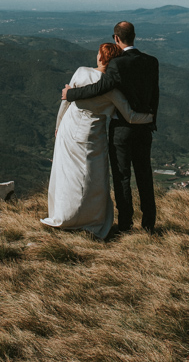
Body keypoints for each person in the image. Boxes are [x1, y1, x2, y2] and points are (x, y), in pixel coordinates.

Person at [42, 43, 152, 238]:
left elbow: (65, 102)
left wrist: (58, 126)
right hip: (93, 134)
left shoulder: (80, 72)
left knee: (67, 173)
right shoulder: (113, 89)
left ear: (101, 57)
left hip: (70, 127)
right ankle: (90, 218)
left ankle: (64, 214)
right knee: (93, 178)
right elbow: (130, 116)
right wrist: (150, 117)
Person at [61, 21, 160, 232]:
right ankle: (149, 225)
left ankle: (125, 224)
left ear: (116, 38)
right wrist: (153, 119)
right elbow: (155, 94)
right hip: (144, 128)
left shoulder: (117, 63)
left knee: (122, 177)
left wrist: (71, 94)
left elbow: (100, 88)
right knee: (145, 175)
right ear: (134, 36)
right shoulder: (152, 62)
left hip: (122, 129)